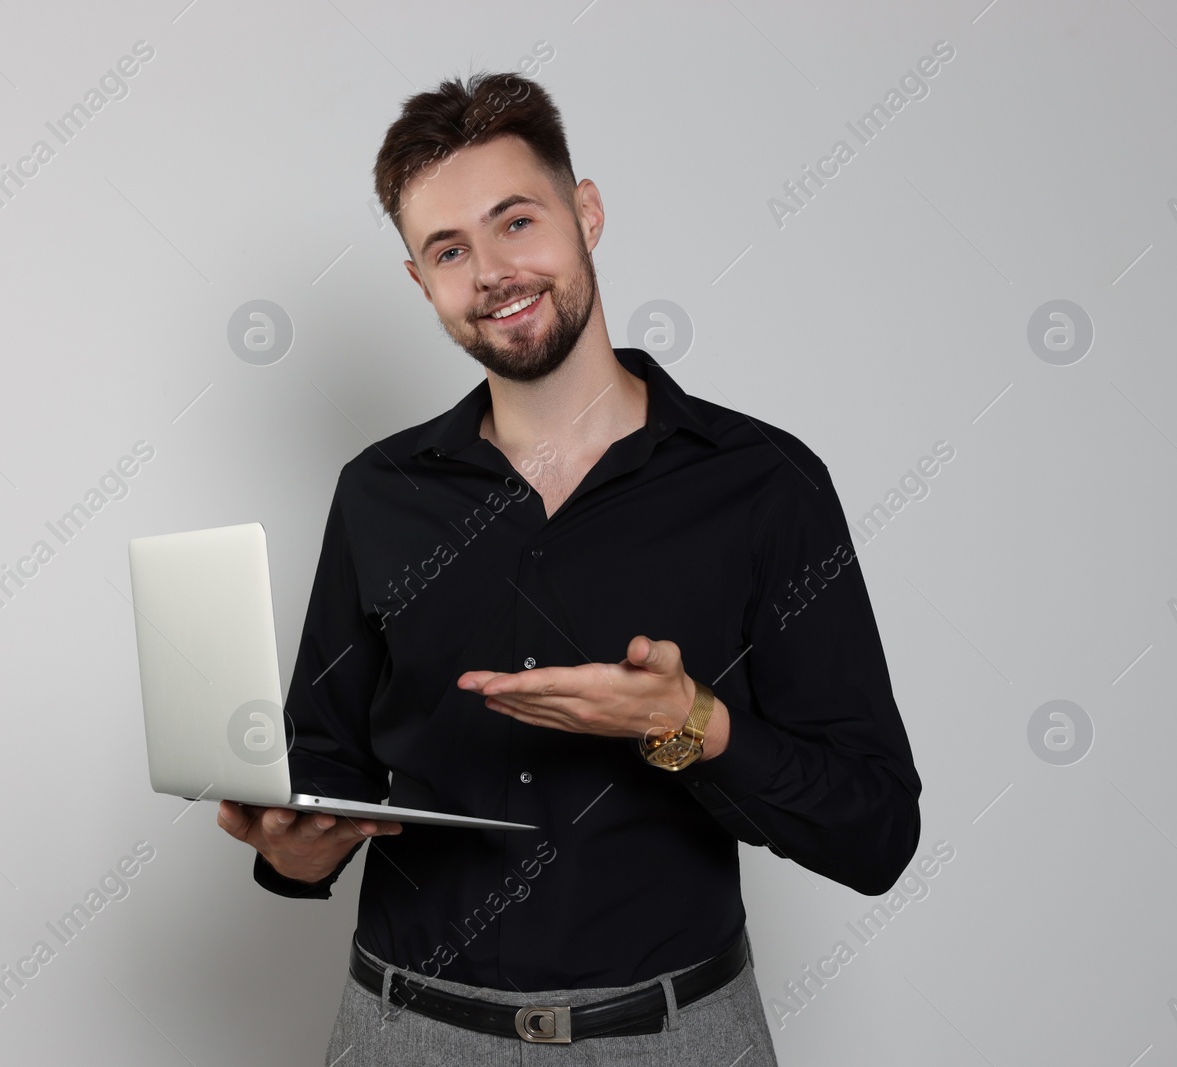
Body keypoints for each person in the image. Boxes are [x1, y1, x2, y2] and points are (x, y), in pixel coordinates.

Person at [216, 70, 921, 1066]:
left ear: (584, 213)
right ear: (420, 282)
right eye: (448, 249)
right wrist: (295, 850)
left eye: (516, 222)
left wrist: (685, 726)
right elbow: (324, 760)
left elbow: (876, 830)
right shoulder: (377, 492)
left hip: (672, 1036)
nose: (493, 272)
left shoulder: (765, 486)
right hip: (403, 1034)